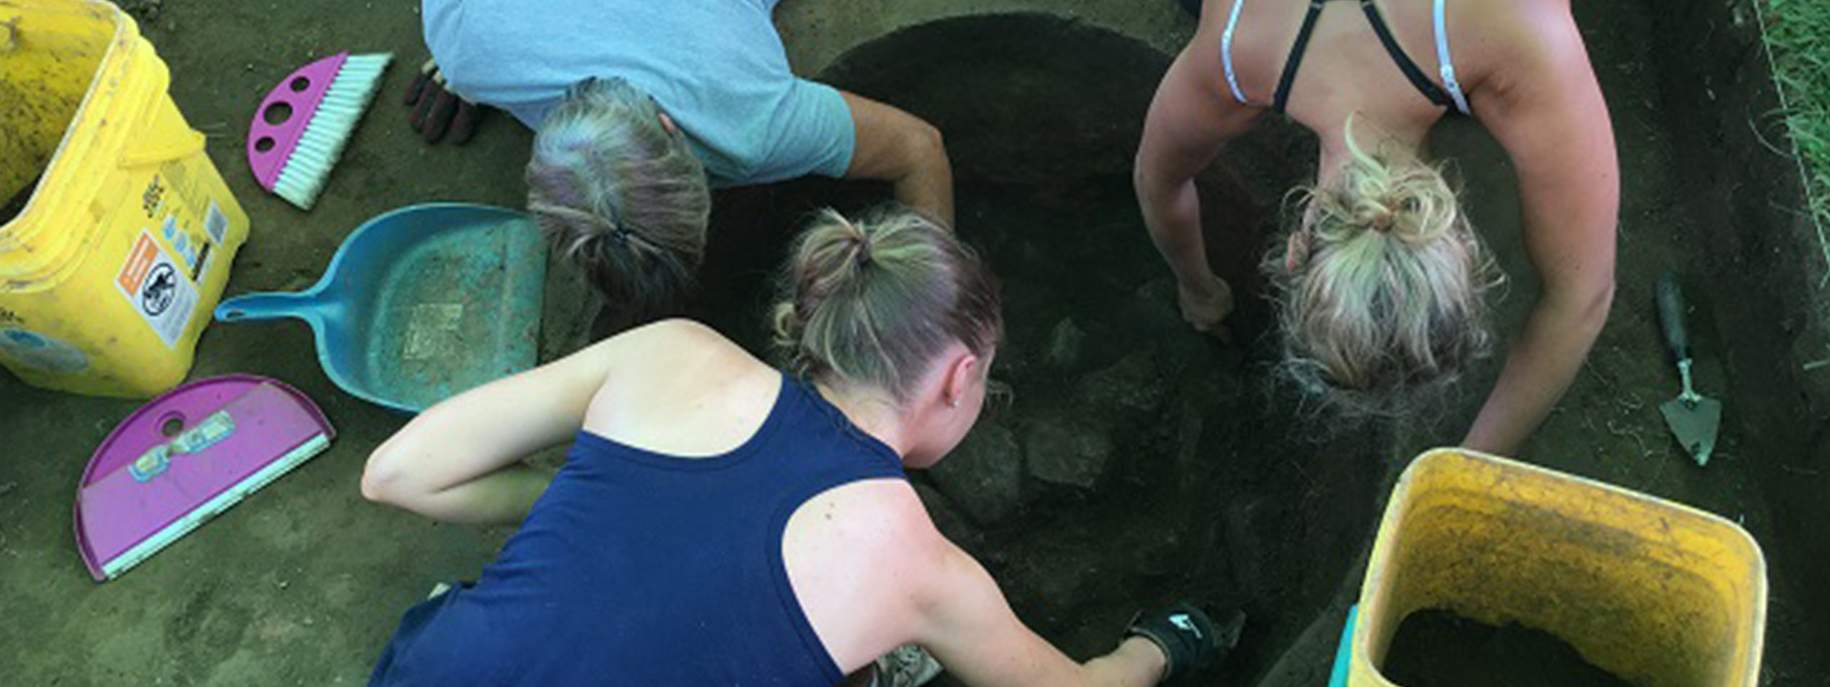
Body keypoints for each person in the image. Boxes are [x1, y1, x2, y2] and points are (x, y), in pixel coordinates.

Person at [358, 208, 1238, 687]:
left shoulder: (674, 352)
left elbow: (399, 473)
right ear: (959, 376)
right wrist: (1160, 646)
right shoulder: (917, 567)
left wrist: (573, 499)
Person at [1135, 0, 1618, 454]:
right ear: (1296, 250)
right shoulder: (1238, 46)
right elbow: (1157, 181)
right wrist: (1199, 291)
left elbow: (1584, 300)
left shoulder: (1517, 33)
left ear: (1464, 240)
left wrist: (1201, 291)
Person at [413, 0, 954, 324]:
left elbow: (917, 148)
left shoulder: (750, 117)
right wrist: (469, 59)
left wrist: (928, 307)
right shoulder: (462, 39)